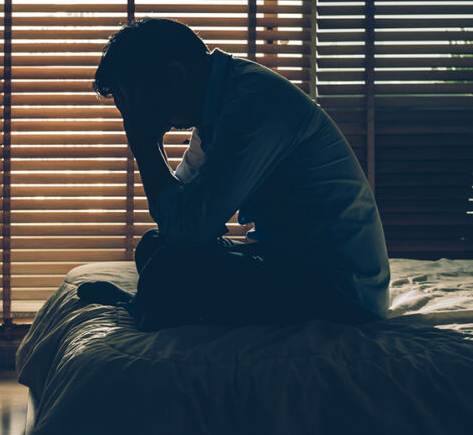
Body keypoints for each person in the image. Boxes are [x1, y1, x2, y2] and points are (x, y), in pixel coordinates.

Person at [77, 18, 390, 331]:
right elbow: (179, 215)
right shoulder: (218, 106)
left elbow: (189, 228)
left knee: (169, 266)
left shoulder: (255, 104)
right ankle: (148, 306)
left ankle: (147, 307)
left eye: (136, 100)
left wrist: (143, 142)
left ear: (175, 75)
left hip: (340, 291)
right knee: (154, 245)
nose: (133, 114)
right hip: (287, 260)